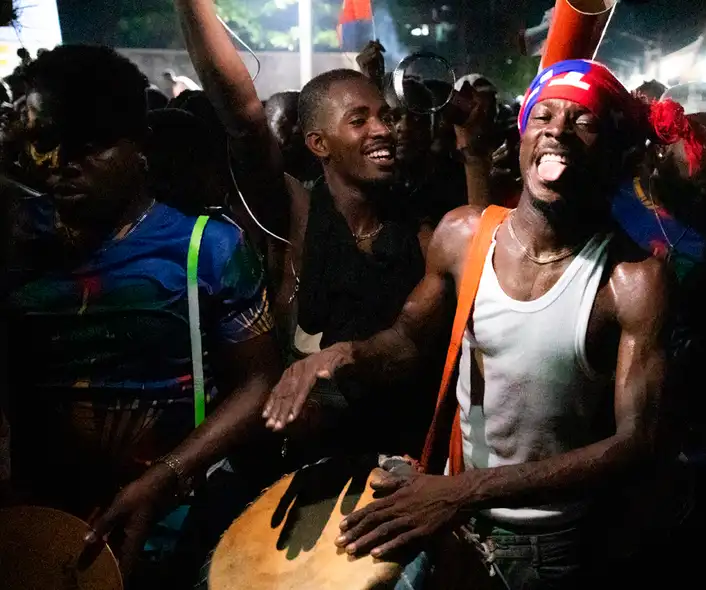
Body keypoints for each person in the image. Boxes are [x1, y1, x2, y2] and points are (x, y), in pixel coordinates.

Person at [262, 59, 671, 587]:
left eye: (585, 122)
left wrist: (464, 490)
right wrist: (345, 355)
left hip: (550, 544)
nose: (558, 131)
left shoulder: (634, 279)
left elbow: (637, 442)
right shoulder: (464, 234)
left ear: (614, 154)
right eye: (544, 115)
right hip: (449, 516)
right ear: (523, 137)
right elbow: (409, 338)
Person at [3, 45, 281, 584]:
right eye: (46, 143)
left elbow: (260, 378)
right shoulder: (11, 237)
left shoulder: (208, 246)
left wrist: (169, 472)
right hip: (35, 522)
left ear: (140, 146)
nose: (62, 164)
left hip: (176, 524)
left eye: (89, 146)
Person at [175, 0, 438, 458]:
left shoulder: (422, 232)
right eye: (359, 121)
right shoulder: (295, 211)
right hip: (298, 463)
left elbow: (415, 344)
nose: (382, 130)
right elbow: (245, 121)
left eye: (385, 117)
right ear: (318, 143)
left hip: (397, 463)